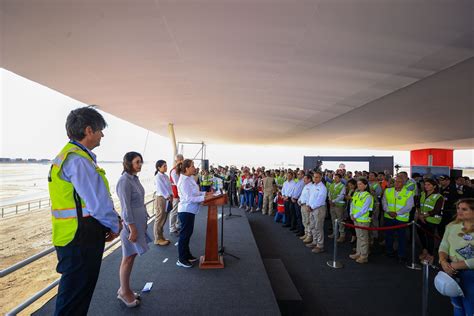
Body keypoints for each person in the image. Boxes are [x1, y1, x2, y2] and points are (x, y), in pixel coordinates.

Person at [48, 106, 121, 315]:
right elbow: (97, 203)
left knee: (74, 297)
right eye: (100, 130)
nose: (102, 135)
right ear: (89, 130)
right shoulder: (78, 160)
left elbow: (87, 201)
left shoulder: (73, 157)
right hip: (81, 239)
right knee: (74, 300)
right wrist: (115, 225)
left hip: (72, 236)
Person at [116, 152, 152, 307]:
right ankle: (124, 292)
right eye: (137, 162)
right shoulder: (124, 181)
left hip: (138, 223)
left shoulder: (134, 179)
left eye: (141, 162)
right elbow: (125, 208)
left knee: (131, 257)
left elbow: (138, 202)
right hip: (131, 226)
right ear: (128, 163)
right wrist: (132, 229)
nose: (140, 165)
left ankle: (125, 288)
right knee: (128, 257)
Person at [438, 198, 474, 316]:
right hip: (451, 271)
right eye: (458, 208)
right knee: (457, 305)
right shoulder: (451, 226)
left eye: (464, 209)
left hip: (470, 273)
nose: (459, 211)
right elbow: (444, 245)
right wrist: (443, 261)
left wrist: (455, 265)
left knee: (470, 306)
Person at [176, 159, 206, 268]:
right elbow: (189, 198)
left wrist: (206, 193)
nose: (194, 168)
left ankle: (187, 255)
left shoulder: (190, 178)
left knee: (188, 234)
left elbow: (196, 193)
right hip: (186, 210)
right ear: (187, 168)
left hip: (190, 210)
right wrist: (204, 197)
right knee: (184, 235)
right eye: (192, 166)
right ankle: (181, 259)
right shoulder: (183, 181)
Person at [382, 176, 415, 263]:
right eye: (396, 181)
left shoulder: (408, 193)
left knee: (402, 238)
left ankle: (401, 255)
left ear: (404, 183)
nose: (397, 183)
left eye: (399, 182)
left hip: (401, 219)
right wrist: (388, 211)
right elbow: (384, 202)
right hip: (388, 217)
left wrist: (397, 213)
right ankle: (389, 252)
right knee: (389, 236)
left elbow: (409, 206)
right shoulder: (388, 190)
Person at [416, 178, 443, 262]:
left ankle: (430, 255)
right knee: (420, 234)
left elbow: (436, 210)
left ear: (434, 186)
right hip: (421, 218)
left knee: (430, 237)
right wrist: (420, 215)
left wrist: (424, 216)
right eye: (425, 184)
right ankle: (425, 250)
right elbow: (419, 205)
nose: (426, 186)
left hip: (432, 220)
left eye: (429, 185)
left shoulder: (439, 196)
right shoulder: (422, 193)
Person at [349, 178, 373, 264]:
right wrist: (351, 214)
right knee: (359, 237)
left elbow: (364, 209)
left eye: (361, 184)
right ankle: (358, 253)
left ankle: (364, 256)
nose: (359, 186)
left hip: (363, 220)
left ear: (365, 185)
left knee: (363, 238)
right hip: (356, 219)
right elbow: (352, 204)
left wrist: (355, 216)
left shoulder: (368, 196)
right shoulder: (356, 193)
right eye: (358, 184)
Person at [306, 171, 328, 253]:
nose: (315, 178)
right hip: (311, 208)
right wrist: (308, 205)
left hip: (318, 209)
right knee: (312, 226)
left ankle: (320, 245)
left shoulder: (322, 188)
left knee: (318, 227)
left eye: (317, 177)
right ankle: (314, 242)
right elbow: (309, 197)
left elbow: (320, 200)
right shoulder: (312, 186)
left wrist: (311, 207)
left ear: (321, 178)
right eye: (314, 177)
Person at [154, 160, 173, 246]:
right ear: (159, 167)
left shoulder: (165, 176)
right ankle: (157, 239)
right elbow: (161, 189)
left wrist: (171, 195)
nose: (166, 167)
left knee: (164, 218)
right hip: (161, 198)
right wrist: (168, 196)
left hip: (167, 198)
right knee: (159, 218)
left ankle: (161, 236)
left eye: (166, 165)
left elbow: (169, 187)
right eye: (164, 166)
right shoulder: (158, 177)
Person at [328, 173, 346, 242]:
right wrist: (329, 200)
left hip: (338, 205)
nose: (335, 179)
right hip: (332, 205)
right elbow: (329, 193)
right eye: (334, 177)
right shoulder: (332, 185)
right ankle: (335, 233)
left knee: (340, 220)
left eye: (337, 178)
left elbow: (341, 196)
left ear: (340, 179)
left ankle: (342, 235)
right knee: (333, 220)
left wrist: (333, 201)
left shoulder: (342, 186)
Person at [169, 154, 184, 234]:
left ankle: (177, 225)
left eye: (182, 159)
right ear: (176, 161)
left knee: (180, 210)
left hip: (181, 193)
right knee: (174, 211)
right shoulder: (174, 171)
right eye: (180, 160)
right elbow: (177, 183)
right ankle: (172, 227)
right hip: (176, 193)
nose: (182, 161)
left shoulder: (180, 170)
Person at [298, 174, 314, 244]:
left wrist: (308, 205)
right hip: (302, 205)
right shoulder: (305, 186)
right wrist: (299, 200)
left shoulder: (311, 187)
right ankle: (306, 234)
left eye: (305, 179)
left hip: (307, 206)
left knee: (308, 221)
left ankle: (309, 236)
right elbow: (302, 195)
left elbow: (310, 197)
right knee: (304, 220)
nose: (303, 180)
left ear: (309, 179)